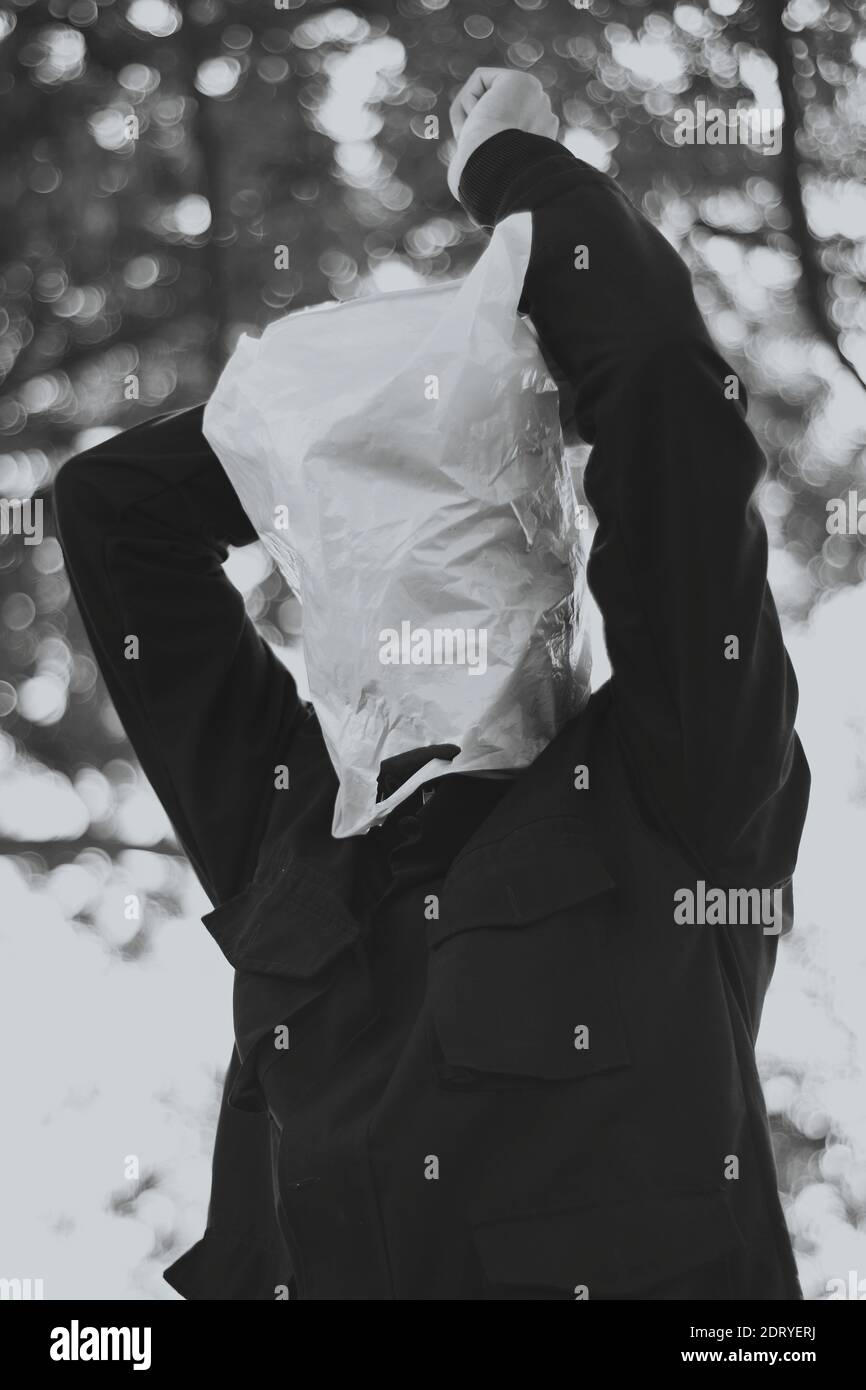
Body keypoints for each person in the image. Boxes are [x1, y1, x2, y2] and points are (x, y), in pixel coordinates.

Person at [52, 69, 810, 1300]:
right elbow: (116, 514)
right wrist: (361, 408)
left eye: (448, 522)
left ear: (548, 569)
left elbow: (669, 405)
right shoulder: (297, 843)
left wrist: (513, 172)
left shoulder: (680, 799)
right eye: (357, 533)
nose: (399, 576)